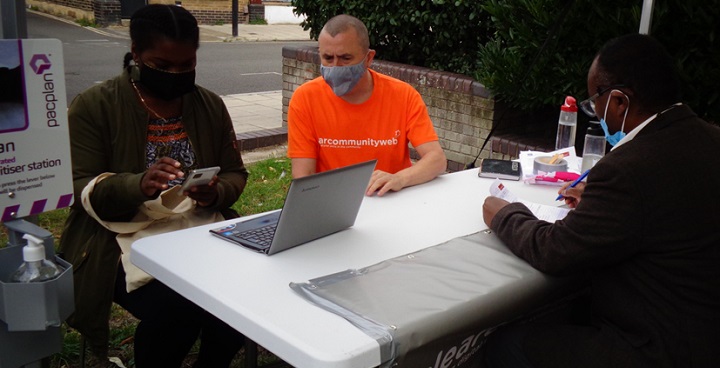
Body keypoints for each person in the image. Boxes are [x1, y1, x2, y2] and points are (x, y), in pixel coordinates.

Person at [481, 33, 720, 367]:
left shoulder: (628, 169)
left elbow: (555, 251)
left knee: (507, 345)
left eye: (595, 102)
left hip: (655, 347)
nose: (595, 112)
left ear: (620, 102)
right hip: (704, 333)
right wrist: (600, 201)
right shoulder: (709, 138)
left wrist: (503, 213)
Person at [60, 4, 248, 367]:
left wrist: (216, 192)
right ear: (135, 54)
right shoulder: (94, 106)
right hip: (118, 236)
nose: (176, 74)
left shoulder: (208, 104)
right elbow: (79, 188)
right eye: (162, 66)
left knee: (241, 293)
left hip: (195, 228)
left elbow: (235, 173)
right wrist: (138, 185)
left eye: (187, 65)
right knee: (178, 308)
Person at [287, 14, 447, 197]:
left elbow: (437, 160)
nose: (335, 67)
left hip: (390, 198)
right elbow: (303, 178)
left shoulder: (403, 95)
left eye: (345, 58)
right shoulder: (305, 99)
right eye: (327, 58)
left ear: (368, 58)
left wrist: (400, 179)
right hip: (334, 203)